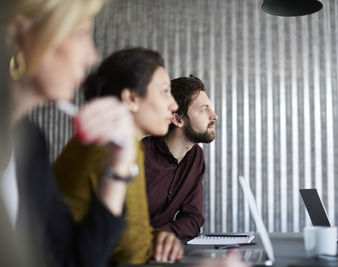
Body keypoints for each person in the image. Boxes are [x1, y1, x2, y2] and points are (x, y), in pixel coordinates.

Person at [0, 0, 137, 266]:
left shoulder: (30, 143)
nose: (92, 57)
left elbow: (74, 260)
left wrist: (119, 165)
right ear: (18, 36)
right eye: (80, 34)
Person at [53, 48, 184, 264]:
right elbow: (130, 254)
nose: (174, 104)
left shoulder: (127, 145)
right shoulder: (109, 147)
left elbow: (129, 234)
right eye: (164, 92)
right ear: (131, 98)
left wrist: (158, 237)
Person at [143, 75, 218, 239]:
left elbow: (193, 219)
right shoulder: (140, 157)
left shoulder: (195, 157)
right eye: (204, 109)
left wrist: (161, 235)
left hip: (162, 253)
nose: (214, 116)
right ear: (177, 119)